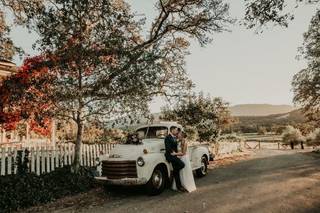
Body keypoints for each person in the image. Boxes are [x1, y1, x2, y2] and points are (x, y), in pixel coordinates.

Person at [164, 126, 187, 192]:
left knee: (176, 170)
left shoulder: (175, 137)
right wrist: (173, 153)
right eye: (176, 130)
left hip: (175, 155)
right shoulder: (167, 137)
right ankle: (178, 185)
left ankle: (178, 186)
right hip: (170, 155)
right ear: (172, 130)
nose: (177, 131)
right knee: (182, 165)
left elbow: (180, 142)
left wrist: (176, 153)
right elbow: (168, 147)